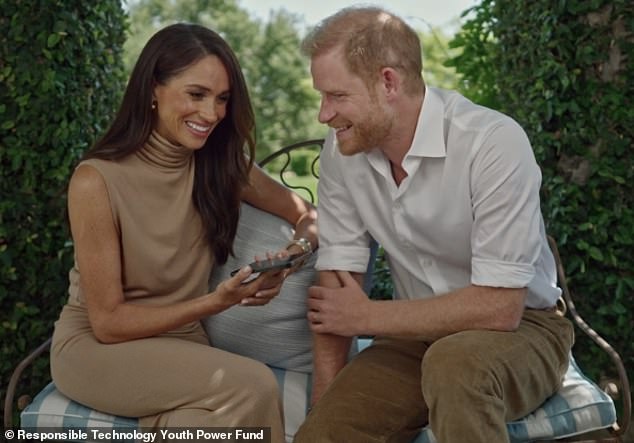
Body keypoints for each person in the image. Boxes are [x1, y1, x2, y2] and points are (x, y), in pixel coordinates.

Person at [294, 6, 574, 443]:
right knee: (327, 432)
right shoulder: (342, 153)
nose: (323, 114)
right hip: (412, 338)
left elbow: (501, 308)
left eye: (336, 96)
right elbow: (338, 290)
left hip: (525, 330)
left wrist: (370, 316)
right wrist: (324, 403)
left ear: (388, 82)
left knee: (456, 364)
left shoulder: (491, 142)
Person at [50, 23, 317, 443]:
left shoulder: (222, 167)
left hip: (180, 343)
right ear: (153, 89)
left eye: (222, 99)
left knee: (205, 424)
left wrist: (292, 256)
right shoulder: (95, 181)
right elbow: (108, 323)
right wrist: (216, 302)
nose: (211, 114)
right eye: (196, 94)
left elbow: (310, 215)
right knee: (253, 384)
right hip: (99, 349)